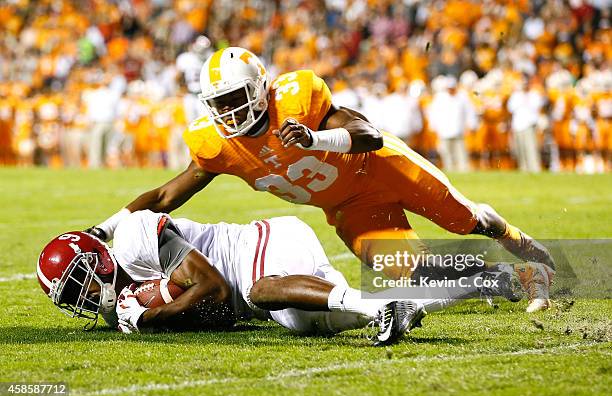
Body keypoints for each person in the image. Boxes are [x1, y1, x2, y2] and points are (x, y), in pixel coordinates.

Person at [89, 47, 555, 312]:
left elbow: (368, 136)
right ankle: (510, 277)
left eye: (236, 97)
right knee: (412, 273)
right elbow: (167, 194)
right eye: (220, 103)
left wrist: (314, 139)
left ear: (259, 88)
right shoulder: (218, 146)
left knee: (464, 219)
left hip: (382, 168)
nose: (229, 111)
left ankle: (525, 246)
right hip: (350, 207)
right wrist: (105, 228)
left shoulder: (297, 99)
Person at [38, 212, 429, 346]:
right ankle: (459, 283)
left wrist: (152, 318)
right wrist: (159, 315)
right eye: (70, 296)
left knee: (260, 291)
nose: (82, 296)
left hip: (258, 245)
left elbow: (216, 290)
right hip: (258, 293)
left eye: (78, 282)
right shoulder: (118, 309)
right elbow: (220, 317)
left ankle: (381, 305)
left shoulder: (133, 238)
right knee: (304, 320)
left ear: (98, 260)